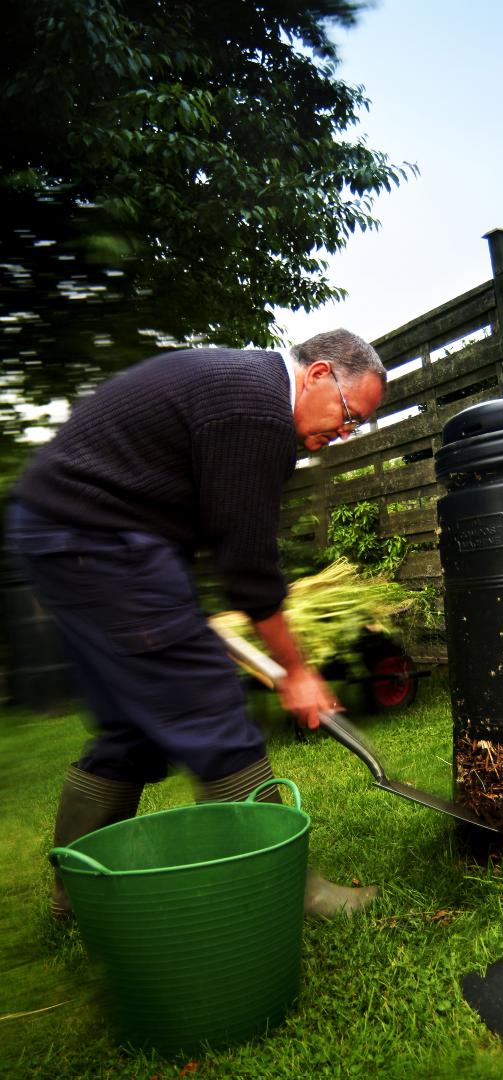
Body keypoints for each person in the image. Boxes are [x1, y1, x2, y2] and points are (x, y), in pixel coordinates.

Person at [6, 328, 386, 919]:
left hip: (64, 534)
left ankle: (74, 897)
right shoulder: (256, 408)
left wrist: (173, 603)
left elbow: (209, 527)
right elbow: (247, 566)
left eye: (356, 426)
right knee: (206, 702)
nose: (345, 432)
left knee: (135, 726)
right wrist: (296, 671)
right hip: (93, 537)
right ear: (316, 375)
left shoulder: (248, 396)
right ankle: (293, 889)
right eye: (348, 413)